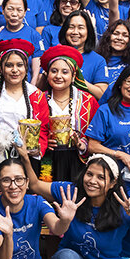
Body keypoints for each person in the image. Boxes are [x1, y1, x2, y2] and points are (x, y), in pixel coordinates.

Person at [0, 39, 50, 170]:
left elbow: (43, 128)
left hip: (26, 157)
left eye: (20, 65)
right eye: (9, 65)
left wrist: (37, 148)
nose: (15, 70)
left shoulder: (37, 95)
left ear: (26, 68)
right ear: (1, 68)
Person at [40, 45, 99, 181]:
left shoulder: (88, 101)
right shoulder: (38, 99)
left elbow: (96, 135)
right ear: (47, 75)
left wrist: (81, 143)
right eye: (54, 71)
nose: (58, 76)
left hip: (78, 162)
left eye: (64, 72)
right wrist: (44, 141)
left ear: (73, 76)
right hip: (47, 161)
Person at [56, 10, 111, 98]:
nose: (75, 32)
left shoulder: (98, 60)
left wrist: (77, 78)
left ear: (88, 31)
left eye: (80, 28)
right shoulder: (55, 55)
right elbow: (40, 86)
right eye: (71, 27)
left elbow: (102, 94)